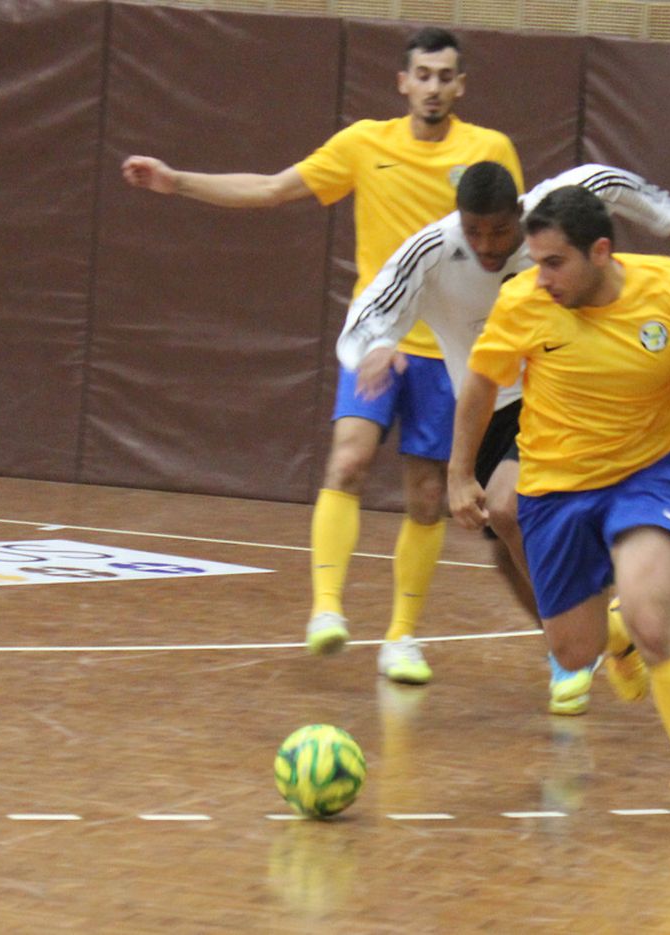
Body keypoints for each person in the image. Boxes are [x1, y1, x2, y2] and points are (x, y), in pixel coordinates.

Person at [121, 27, 523, 686]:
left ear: (461, 86)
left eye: (445, 76)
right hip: (378, 341)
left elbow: (511, 246)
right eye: (422, 75)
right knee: (349, 460)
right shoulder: (365, 143)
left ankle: (402, 637)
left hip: (449, 352)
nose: (433, 87)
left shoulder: (490, 151)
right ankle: (327, 610)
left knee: (427, 496)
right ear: (403, 82)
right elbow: (273, 189)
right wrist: (177, 181)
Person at [447, 186, 670, 842]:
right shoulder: (523, 302)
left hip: (649, 474)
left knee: (652, 617)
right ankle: (610, 635)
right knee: (574, 651)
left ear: (600, 251)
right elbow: (479, 384)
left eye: (554, 262)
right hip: (554, 488)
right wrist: (459, 472)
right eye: (536, 262)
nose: (541, 277)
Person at [336, 161, 670, 715]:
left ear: (519, 213)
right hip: (487, 408)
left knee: (509, 506)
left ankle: (584, 641)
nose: (488, 246)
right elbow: (369, 310)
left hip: (553, 396)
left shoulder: (549, 216)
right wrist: (374, 348)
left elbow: (605, 180)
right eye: (474, 232)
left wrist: (666, 216)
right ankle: (592, 638)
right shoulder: (431, 251)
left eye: (500, 231)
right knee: (506, 540)